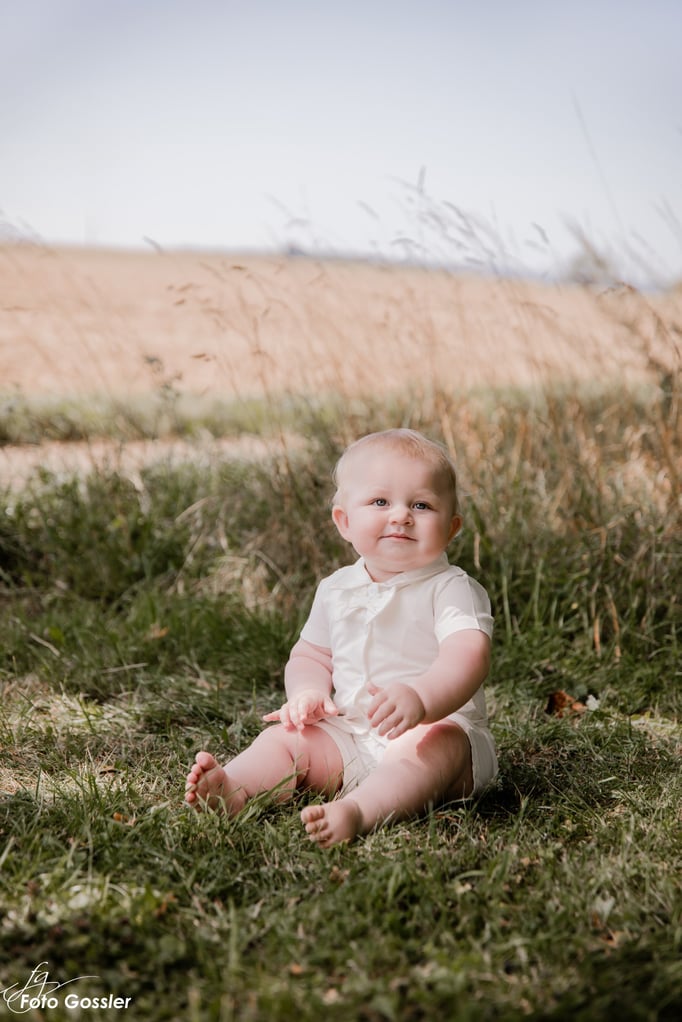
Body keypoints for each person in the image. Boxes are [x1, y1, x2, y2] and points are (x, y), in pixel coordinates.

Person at [185, 428, 497, 847]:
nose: (401, 516)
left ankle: (358, 811)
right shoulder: (336, 589)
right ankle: (235, 788)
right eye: (380, 502)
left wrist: (421, 698)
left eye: (421, 505)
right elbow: (311, 654)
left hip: (435, 732)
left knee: (430, 746)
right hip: (351, 734)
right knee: (287, 738)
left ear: (452, 527)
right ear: (344, 522)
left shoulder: (451, 588)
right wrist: (308, 691)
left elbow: (468, 655)